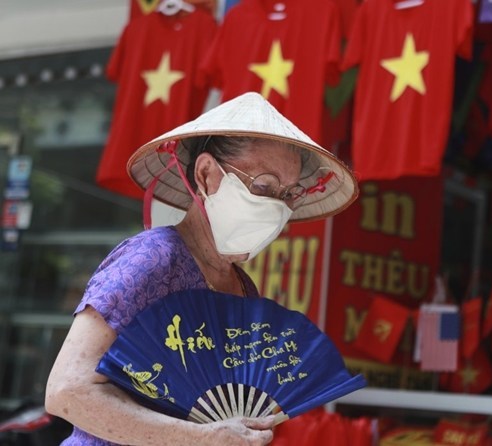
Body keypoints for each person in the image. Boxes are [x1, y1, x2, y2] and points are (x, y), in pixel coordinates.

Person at [45, 92, 358, 445]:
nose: (277, 208)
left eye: (287, 194)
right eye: (264, 186)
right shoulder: (152, 260)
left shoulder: (242, 288)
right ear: (208, 174)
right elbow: (66, 391)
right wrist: (199, 436)